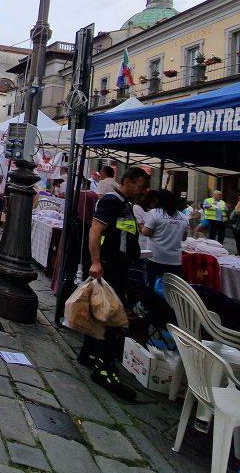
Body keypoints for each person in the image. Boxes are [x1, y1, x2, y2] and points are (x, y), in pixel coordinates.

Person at [81, 166, 151, 400]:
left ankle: (88, 353)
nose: (143, 191)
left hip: (118, 265)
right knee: (110, 315)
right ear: (128, 181)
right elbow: (95, 230)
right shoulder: (113, 201)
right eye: (140, 186)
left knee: (100, 311)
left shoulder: (125, 203)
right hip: (109, 266)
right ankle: (105, 368)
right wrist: (96, 262)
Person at [140, 189, 190, 290]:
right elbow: (184, 237)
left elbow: (146, 232)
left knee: (153, 286)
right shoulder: (183, 216)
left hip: (156, 257)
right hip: (175, 260)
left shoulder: (155, 213)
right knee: (171, 289)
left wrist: (141, 227)